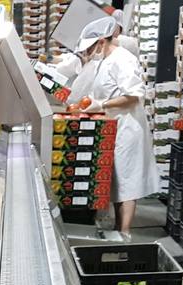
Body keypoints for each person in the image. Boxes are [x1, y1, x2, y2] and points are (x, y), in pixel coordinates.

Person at [75, 17, 159, 235]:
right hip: (113, 126)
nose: (91, 51)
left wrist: (100, 104)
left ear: (102, 41)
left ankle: (125, 232)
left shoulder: (123, 59)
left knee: (127, 182)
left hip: (128, 127)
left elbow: (133, 96)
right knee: (116, 180)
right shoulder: (105, 60)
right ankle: (116, 227)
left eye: (92, 46)